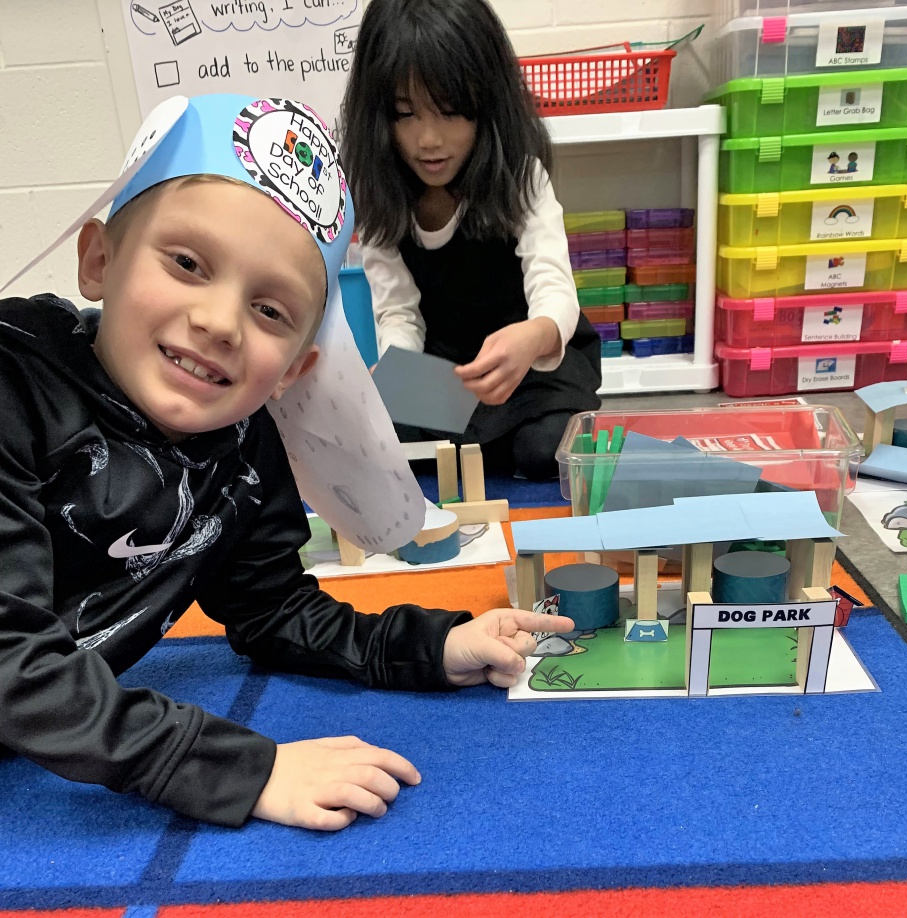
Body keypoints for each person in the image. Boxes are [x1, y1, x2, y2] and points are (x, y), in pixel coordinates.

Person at [0, 93, 572, 833]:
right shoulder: (15, 384)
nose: (217, 322)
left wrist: (436, 645)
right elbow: (11, 657)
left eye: (270, 310)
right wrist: (242, 767)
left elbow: (274, 612)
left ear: (296, 367)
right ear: (99, 259)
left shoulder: (243, 444)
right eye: (186, 263)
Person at [341, 0, 603, 482]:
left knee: (545, 448)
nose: (429, 140)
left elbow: (554, 289)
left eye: (451, 112)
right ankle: (475, 447)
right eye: (405, 115)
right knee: (377, 429)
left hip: (533, 365)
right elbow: (398, 313)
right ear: (379, 117)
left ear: (487, 103)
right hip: (449, 373)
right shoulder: (382, 197)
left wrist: (535, 335)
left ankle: (485, 447)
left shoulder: (520, 177)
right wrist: (396, 371)